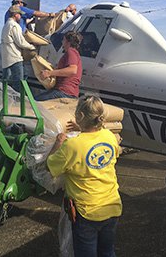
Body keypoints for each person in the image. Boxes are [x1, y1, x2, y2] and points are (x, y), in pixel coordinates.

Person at [47, 95, 122, 257]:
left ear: (79, 116)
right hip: (111, 206)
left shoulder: (72, 145)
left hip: (87, 211)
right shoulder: (109, 136)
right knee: (107, 251)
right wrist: (81, 129)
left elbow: (50, 166)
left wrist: (58, 142)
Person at [34, 31, 82, 101]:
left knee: (34, 102)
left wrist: (49, 73)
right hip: (66, 91)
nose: (62, 42)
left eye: (63, 40)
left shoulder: (71, 52)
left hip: (65, 91)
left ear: (68, 42)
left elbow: (73, 70)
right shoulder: (73, 53)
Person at [1, 6, 36, 92]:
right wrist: (32, 47)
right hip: (15, 59)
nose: (20, 17)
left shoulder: (6, 25)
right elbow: (20, 42)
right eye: (20, 15)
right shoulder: (14, 26)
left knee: (7, 85)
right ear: (16, 15)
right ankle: (18, 103)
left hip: (6, 60)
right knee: (18, 85)